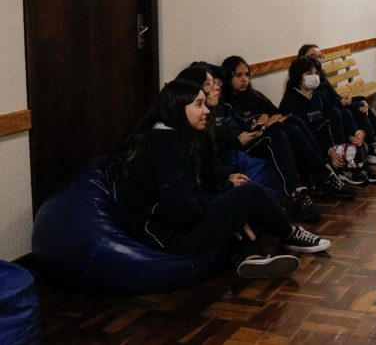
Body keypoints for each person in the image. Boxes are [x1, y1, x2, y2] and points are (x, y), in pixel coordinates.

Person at [116, 80, 330, 280]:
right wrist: (227, 212)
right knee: (251, 193)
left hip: (175, 223)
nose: (207, 110)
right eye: (199, 104)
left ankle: (250, 255)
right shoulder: (167, 149)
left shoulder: (170, 138)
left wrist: (228, 209)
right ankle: (290, 233)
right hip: (168, 235)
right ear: (177, 108)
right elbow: (184, 212)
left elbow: (192, 192)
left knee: (247, 199)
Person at [175, 64, 322, 222]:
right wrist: (237, 142)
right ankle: (303, 187)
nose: (216, 88)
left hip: (245, 142)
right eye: (209, 84)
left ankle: (318, 176)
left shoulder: (226, 106)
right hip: (234, 152)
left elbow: (258, 117)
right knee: (276, 136)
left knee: (289, 124)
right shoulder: (199, 119)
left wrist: (254, 127)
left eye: (217, 83)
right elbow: (211, 157)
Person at [220, 56, 358, 196]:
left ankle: (325, 173)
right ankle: (319, 177)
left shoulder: (254, 95)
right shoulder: (224, 103)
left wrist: (264, 119)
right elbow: (233, 132)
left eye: (247, 75)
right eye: (238, 75)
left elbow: (276, 112)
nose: (244, 79)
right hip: (248, 141)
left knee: (294, 122)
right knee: (283, 132)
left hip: (263, 132)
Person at [298, 44, 376, 162]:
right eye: (313, 56)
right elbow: (321, 108)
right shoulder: (305, 81)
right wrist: (341, 103)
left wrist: (359, 99)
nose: (317, 60)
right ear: (301, 58)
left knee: (361, 104)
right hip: (327, 118)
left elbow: (335, 97)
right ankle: (374, 147)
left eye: (320, 57)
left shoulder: (319, 76)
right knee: (358, 108)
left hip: (335, 109)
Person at [279, 57, 376, 186]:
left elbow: (338, 116)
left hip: (330, 135)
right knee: (335, 113)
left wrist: (359, 131)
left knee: (344, 113)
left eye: (316, 73)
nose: (314, 76)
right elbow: (305, 134)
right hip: (315, 143)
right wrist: (329, 149)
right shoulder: (290, 101)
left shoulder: (318, 95)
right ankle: (343, 167)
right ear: (297, 75)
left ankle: (359, 164)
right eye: (309, 73)